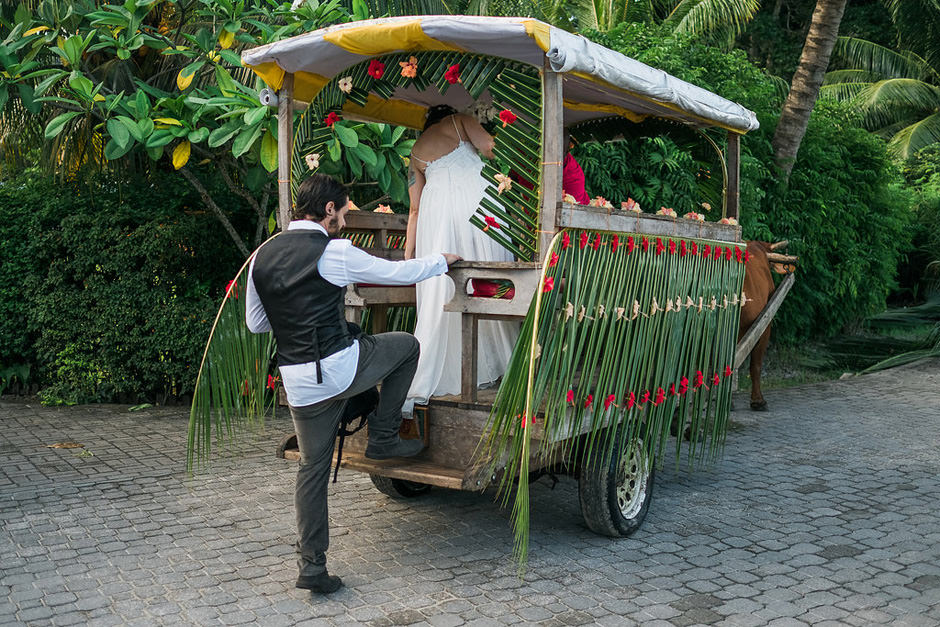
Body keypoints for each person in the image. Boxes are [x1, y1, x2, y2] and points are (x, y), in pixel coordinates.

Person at [245, 173, 461, 594]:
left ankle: (312, 568)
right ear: (328, 210)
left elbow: (256, 324)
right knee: (406, 346)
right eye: (344, 212)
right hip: (336, 368)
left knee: (312, 470)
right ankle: (382, 437)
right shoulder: (335, 251)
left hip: (298, 381)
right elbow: (398, 273)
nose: (345, 219)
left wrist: (295, 315)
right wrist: (442, 260)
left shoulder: (261, 255)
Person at [403, 105, 518, 412]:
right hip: (475, 206)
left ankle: (441, 368)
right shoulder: (460, 121)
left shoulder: (415, 151)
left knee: (444, 286)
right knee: (488, 275)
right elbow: (492, 149)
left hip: (436, 215)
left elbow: (414, 209)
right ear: (448, 114)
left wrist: (408, 254)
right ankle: (497, 357)